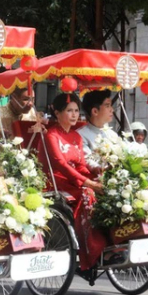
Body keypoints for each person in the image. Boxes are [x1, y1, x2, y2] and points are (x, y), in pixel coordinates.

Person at [38, 93, 106, 272]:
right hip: (57, 181)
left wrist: (95, 175)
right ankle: (91, 247)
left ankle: (108, 241)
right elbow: (60, 164)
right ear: (58, 113)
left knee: (107, 191)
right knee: (89, 194)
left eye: (76, 110)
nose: (74, 115)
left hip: (75, 180)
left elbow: (81, 165)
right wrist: (87, 183)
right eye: (69, 111)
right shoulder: (51, 135)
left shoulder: (76, 136)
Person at [0, 87, 37, 154]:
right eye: (26, 99)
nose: (31, 104)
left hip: (26, 162)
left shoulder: (31, 113)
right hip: (2, 162)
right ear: (14, 97)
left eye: (33, 99)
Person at [77, 89, 118, 169]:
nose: (112, 110)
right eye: (107, 106)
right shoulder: (80, 135)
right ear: (95, 111)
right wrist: (103, 169)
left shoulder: (112, 134)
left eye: (111, 106)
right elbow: (87, 161)